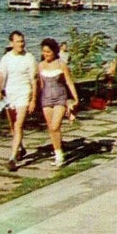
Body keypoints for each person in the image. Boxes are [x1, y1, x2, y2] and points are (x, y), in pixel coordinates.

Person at [0, 31, 38, 172]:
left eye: (22, 41)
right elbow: (0, 76)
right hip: (10, 95)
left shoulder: (29, 58)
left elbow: (34, 80)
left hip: (24, 93)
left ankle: (12, 159)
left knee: (19, 125)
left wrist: (33, 99)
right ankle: (21, 148)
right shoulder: (6, 58)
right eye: (18, 41)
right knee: (13, 126)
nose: (21, 44)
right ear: (11, 43)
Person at [37, 38, 79, 167]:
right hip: (46, 99)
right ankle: (58, 153)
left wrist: (75, 99)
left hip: (60, 98)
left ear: (54, 51)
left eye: (49, 52)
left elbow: (69, 82)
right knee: (51, 128)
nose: (46, 54)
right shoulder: (41, 65)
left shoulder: (61, 65)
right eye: (44, 52)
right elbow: (40, 85)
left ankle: (59, 154)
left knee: (55, 126)